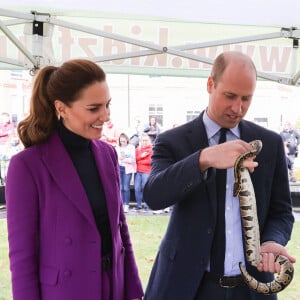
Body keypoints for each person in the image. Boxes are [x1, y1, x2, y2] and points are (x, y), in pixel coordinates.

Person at [143, 51, 295, 300]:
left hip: (251, 289)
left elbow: (281, 213)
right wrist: (203, 158)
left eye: (247, 98)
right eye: (230, 96)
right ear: (210, 84)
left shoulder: (270, 143)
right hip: (187, 287)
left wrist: (270, 241)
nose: (238, 108)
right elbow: (154, 195)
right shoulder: (173, 141)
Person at [5, 59, 143, 300]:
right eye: (94, 108)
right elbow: (22, 259)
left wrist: (133, 291)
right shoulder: (26, 167)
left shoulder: (108, 153)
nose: (105, 116)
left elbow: (120, 231)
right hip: (65, 292)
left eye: (107, 105)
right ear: (62, 108)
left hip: (114, 288)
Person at [116, 133, 136, 213]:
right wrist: (119, 159)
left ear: (126, 139)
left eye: (124, 138)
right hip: (119, 168)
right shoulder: (117, 148)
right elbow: (115, 158)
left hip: (127, 169)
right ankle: (121, 205)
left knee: (126, 187)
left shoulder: (131, 147)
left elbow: (133, 160)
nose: (122, 140)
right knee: (120, 188)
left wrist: (123, 159)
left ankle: (126, 205)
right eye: (121, 139)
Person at [133, 133, 153, 211]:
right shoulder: (138, 149)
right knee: (137, 188)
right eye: (143, 140)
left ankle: (146, 205)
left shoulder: (151, 149)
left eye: (146, 140)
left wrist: (140, 161)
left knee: (145, 188)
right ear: (140, 141)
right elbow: (134, 159)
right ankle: (139, 205)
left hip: (146, 172)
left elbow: (150, 161)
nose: (144, 142)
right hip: (138, 171)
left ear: (148, 141)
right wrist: (141, 156)